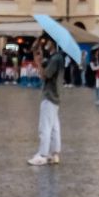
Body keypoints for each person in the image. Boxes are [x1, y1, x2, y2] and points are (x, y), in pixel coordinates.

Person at [28, 37, 65, 166]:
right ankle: (54, 154)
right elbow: (42, 66)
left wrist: (38, 63)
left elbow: (45, 75)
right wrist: (37, 55)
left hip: (49, 95)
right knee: (54, 127)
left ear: (53, 43)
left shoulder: (55, 59)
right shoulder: (55, 57)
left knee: (45, 127)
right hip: (55, 96)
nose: (46, 44)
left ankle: (43, 155)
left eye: (48, 42)